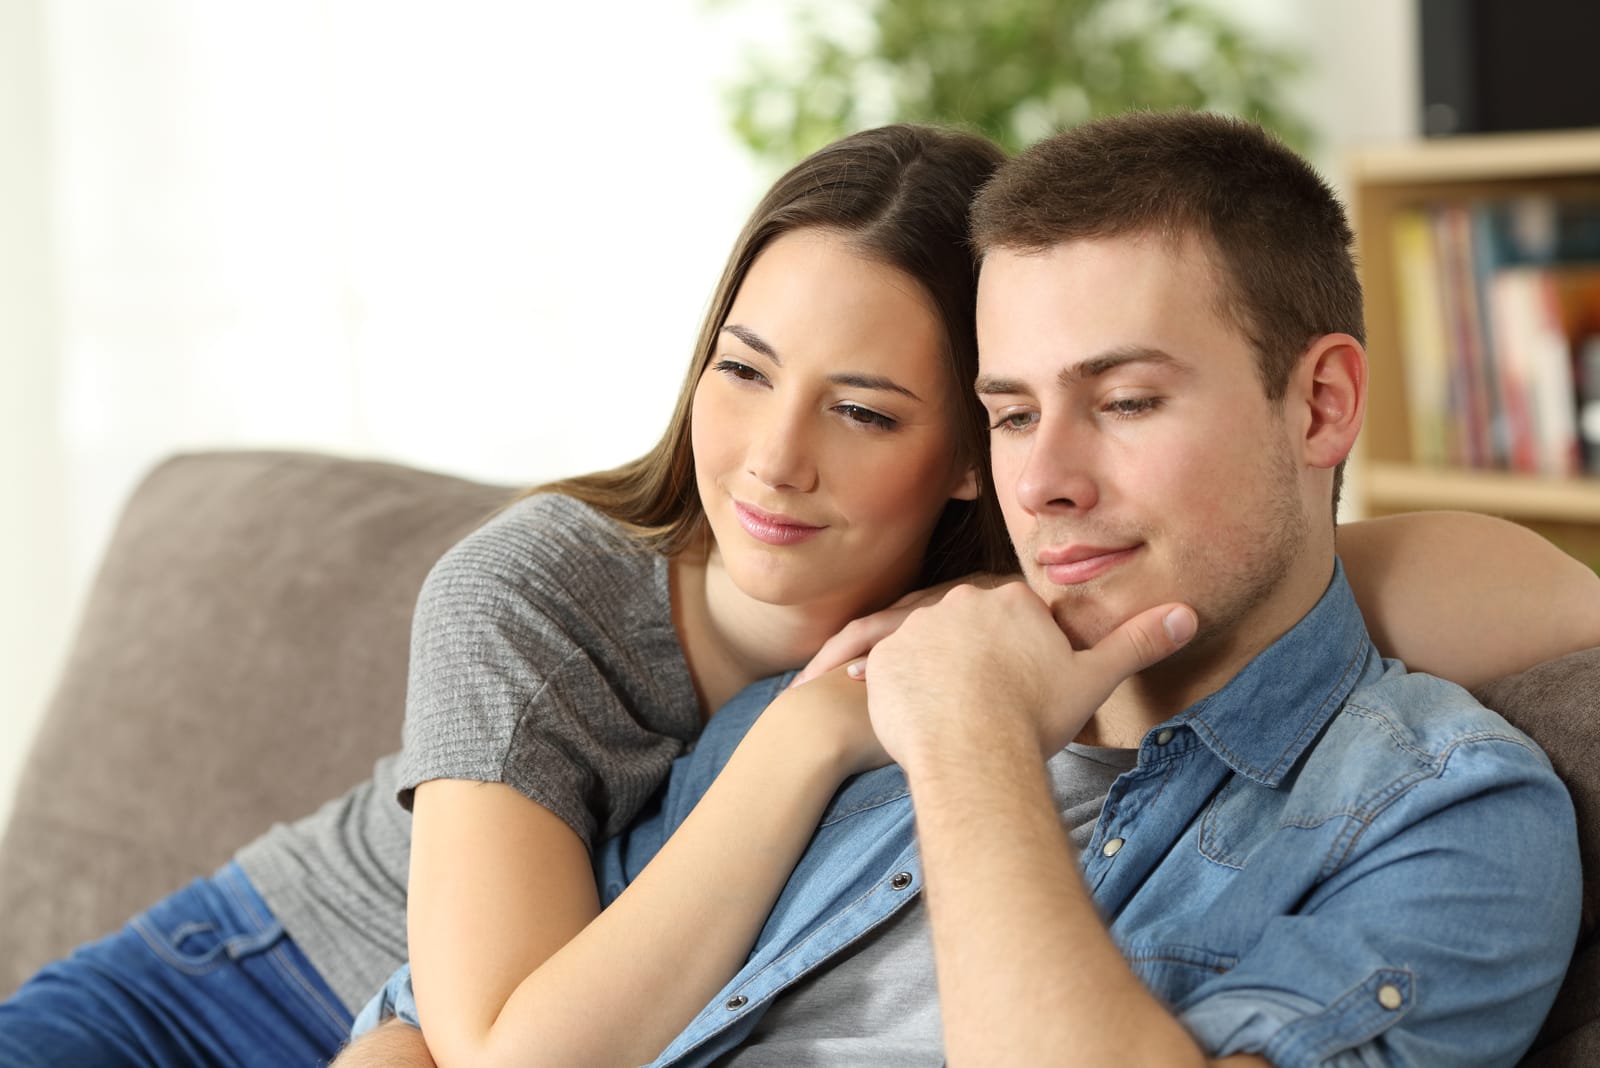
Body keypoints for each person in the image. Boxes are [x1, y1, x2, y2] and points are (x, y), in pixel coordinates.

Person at [344, 115, 1594, 1067]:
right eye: (1010, 414)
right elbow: (441, 1022)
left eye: (1125, 402)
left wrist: (971, 744)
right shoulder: (830, 701)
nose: (1040, 483)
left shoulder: (1447, 822)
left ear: (1319, 406)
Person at [0, 124, 1015, 1068]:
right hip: (214, 1001)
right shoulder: (529, 589)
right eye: (745, 371)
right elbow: (498, 1052)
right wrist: (810, 732)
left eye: (861, 412)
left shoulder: (989, 651)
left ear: (977, 448)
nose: (775, 459)